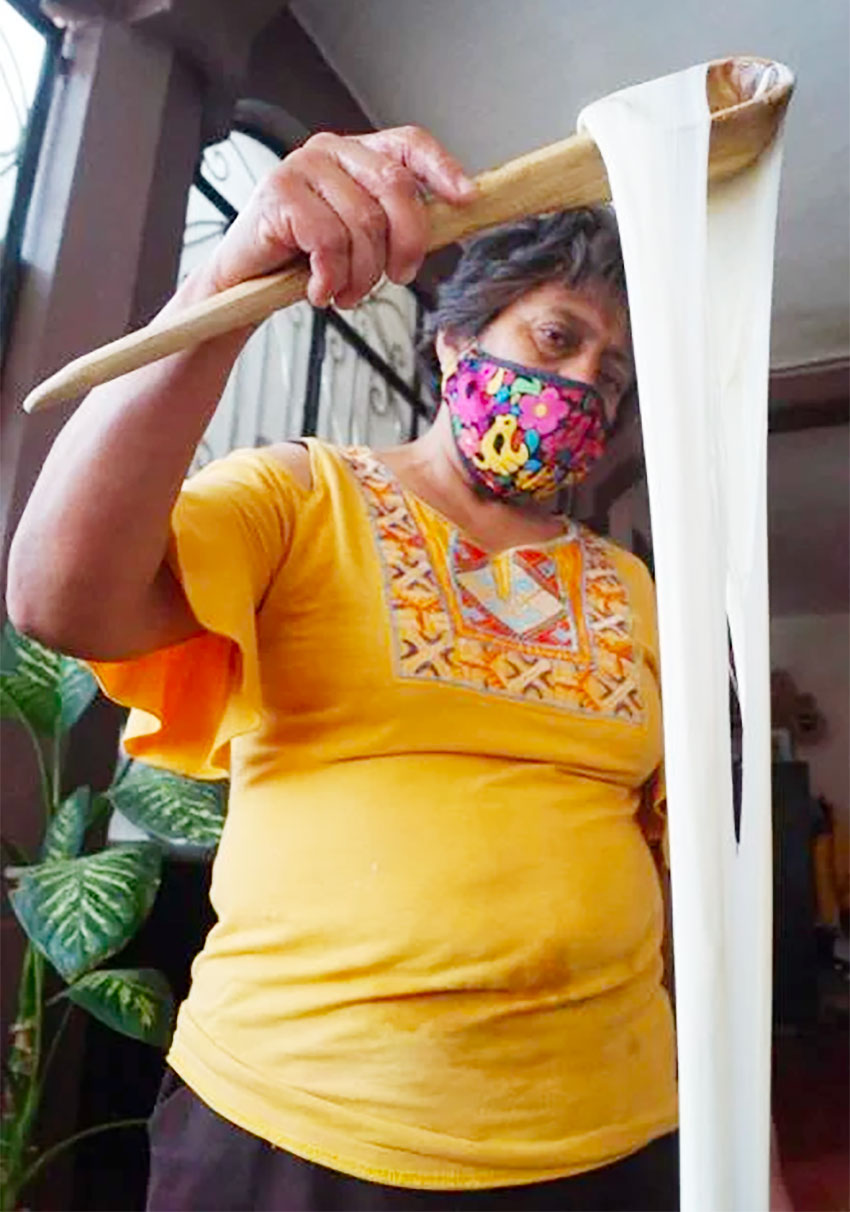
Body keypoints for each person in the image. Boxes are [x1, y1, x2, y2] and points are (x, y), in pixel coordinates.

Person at [8, 125, 706, 1212]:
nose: (579, 384)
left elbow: (683, 874)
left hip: (611, 1137)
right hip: (296, 1133)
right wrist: (231, 277)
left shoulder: (634, 587)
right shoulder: (298, 496)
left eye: (607, 376)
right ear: (453, 346)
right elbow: (61, 595)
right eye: (556, 336)